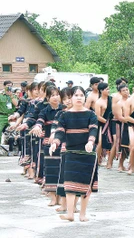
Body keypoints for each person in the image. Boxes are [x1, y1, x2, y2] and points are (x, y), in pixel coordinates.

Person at [50, 86, 98, 222]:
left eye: (81, 95)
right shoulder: (65, 115)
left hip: (88, 154)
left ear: (85, 97)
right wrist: (55, 143)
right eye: (76, 95)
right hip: (71, 153)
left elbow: (93, 130)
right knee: (69, 185)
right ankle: (70, 214)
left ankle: (82, 214)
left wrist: (90, 142)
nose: (78, 97)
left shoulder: (91, 114)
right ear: (71, 98)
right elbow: (60, 131)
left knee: (86, 185)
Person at [30, 86, 63, 206]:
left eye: (57, 94)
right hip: (48, 144)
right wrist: (38, 126)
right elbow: (39, 120)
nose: (55, 97)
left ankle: (60, 197)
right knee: (50, 170)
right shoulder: (44, 111)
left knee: (61, 170)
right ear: (48, 98)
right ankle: (53, 197)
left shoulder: (64, 110)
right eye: (52, 95)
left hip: (62, 144)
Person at [94, 83, 112, 166]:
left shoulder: (111, 99)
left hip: (111, 123)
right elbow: (98, 116)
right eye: (107, 89)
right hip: (102, 124)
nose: (108, 91)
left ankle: (109, 160)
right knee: (100, 142)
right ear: (101, 91)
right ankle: (97, 160)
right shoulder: (98, 102)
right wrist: (107, 122)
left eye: (109, 89)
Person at [113, 84, 130, 171]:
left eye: (127, 90)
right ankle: (120, 164)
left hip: (133, 124)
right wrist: (130, 121)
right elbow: (120, 117)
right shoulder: (119, 104)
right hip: (123, 125)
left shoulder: (132, 101)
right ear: (120, 92)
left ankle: (132, 165)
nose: (126, 92)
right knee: (124, 145)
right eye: (124, 90)